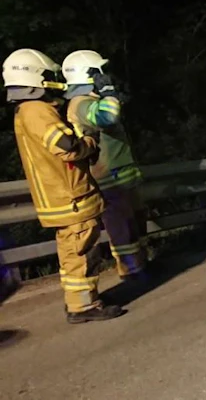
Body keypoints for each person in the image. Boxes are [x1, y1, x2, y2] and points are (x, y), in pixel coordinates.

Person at [2, 48, 123, 323]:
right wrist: (89, 142)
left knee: (74, 254)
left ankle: (82, 301)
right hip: (70, 197)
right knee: (82, 253)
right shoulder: (36, 111)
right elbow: (66, 146)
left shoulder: (29, 110)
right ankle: (84, 307)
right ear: (35, 78)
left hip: (65, 197)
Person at [62, 50, 148, 283]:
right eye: (100, 71)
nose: (105, 76)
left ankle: (141, 264)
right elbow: (106, 118)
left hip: (122, 176)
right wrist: (109, 93)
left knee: (134, 224)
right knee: (121, 229)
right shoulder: (80, 104)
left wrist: (111, 95)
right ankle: (131, 272)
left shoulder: (92, 100)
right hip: (109, 178)